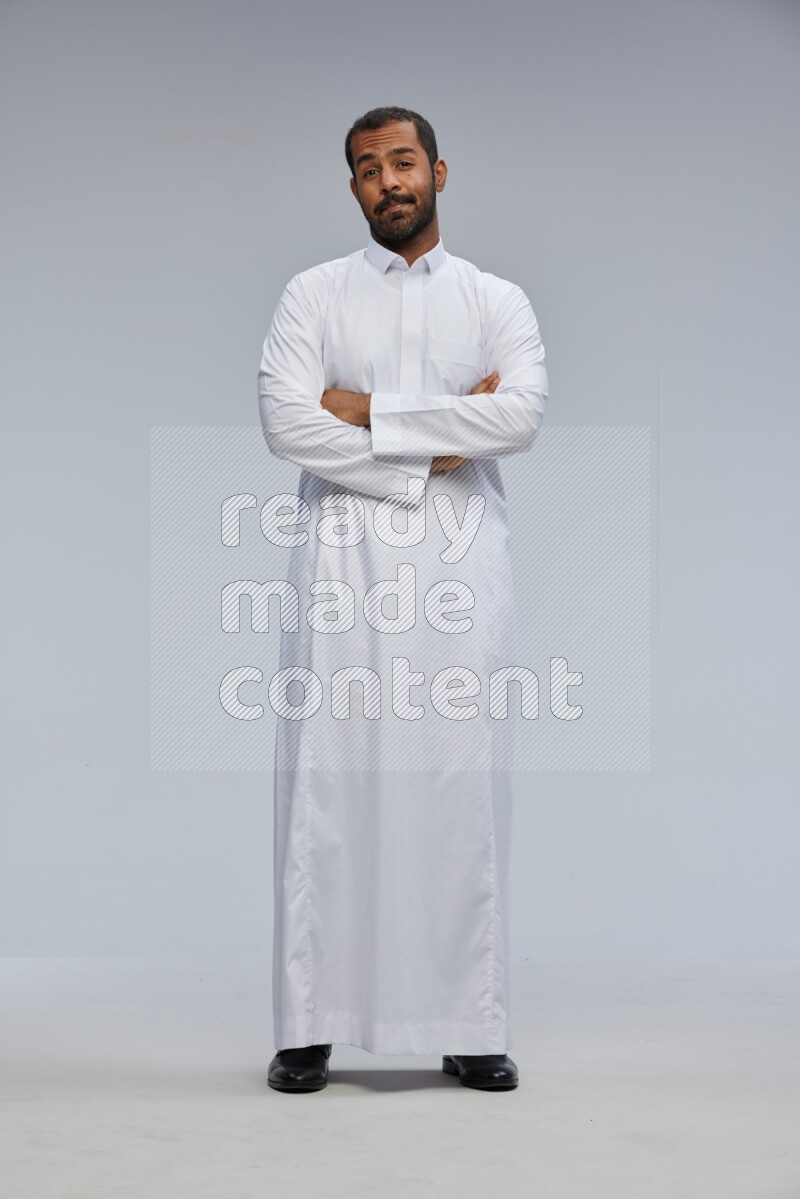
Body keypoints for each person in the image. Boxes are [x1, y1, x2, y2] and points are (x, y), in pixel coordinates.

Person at [257, 105, 548, 1093]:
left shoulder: (494, 298)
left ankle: (468, 1021)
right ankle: (309, 1022)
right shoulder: (313, 295)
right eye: (366, 167)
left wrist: (370, 411)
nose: (387, 179)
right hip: (340, 565)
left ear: (438, 171)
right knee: (328, 786)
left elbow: (518, 413)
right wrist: (431, 449)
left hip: (462, 568)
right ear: (351, 188)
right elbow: (288, 424)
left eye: (402, 160)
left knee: (456, 780)